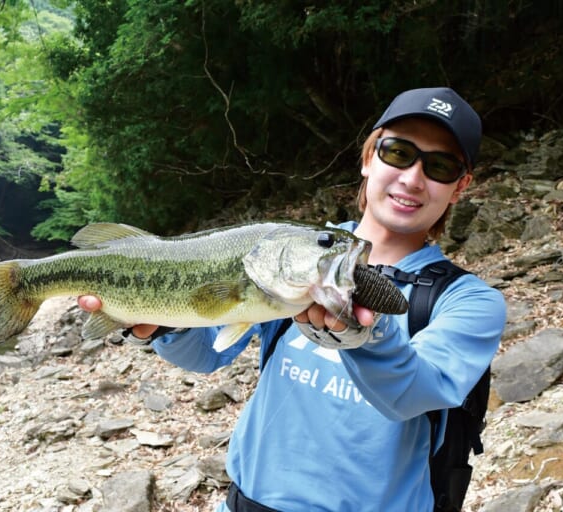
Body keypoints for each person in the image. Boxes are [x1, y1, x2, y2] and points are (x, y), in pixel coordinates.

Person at [78, 87, 506, 512]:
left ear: (459, 187)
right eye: (398, 153)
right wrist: (163, 324)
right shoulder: (288, 254)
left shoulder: (469, 302)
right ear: (368, 158)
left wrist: (366, 334)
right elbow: (207, 354)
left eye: (440, 166)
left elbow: (412, 394)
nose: (412, 178)